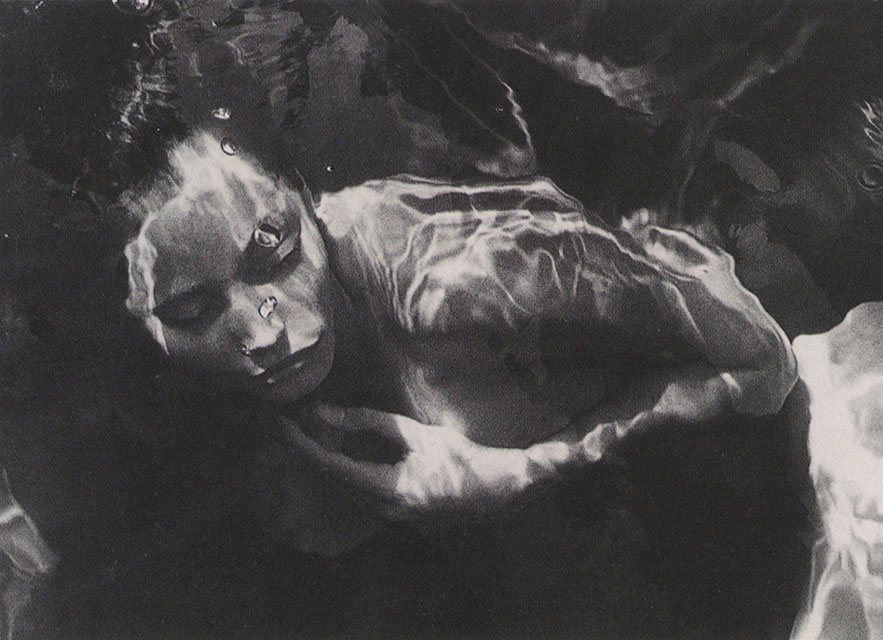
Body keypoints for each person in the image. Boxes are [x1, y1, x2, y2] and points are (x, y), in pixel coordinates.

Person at [123, 130, 797, 556]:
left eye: (273, 250)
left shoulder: (464, 281)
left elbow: (762, 362)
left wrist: (534, 469)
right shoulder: (192, 413)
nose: (265, 330)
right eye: (190, 310)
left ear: (305, 201)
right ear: (141, 321)